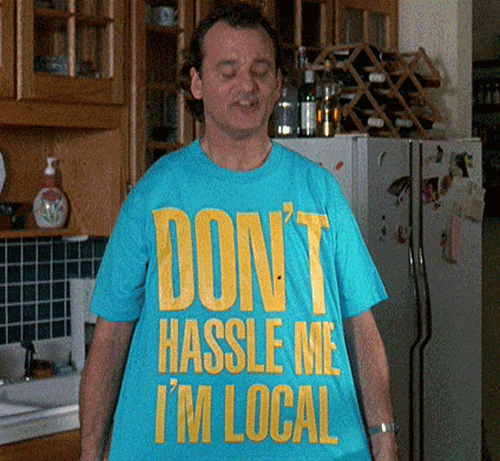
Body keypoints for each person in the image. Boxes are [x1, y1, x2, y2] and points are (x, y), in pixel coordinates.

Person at [79, 3, 399, 460]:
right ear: (197, 83)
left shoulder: (320, 191)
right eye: (228, 72)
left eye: (260, 71)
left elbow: (361, 329)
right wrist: (90, 453)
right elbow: (111, 339)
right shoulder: (155, 193)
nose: (246, 86)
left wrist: (384, 438)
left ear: (278, 85)